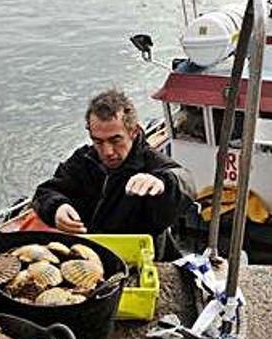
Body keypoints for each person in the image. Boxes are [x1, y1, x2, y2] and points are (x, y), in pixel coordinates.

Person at [32, 89, 195, 260]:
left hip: (140, 259)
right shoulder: (83, 160)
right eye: (98, 141)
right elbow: (46, 192)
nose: (107, 151)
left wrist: (163, 184)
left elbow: (185, 182)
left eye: (115, 140)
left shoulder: (152, 163)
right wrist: (57, 208)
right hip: (88, 258)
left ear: (134, 131)